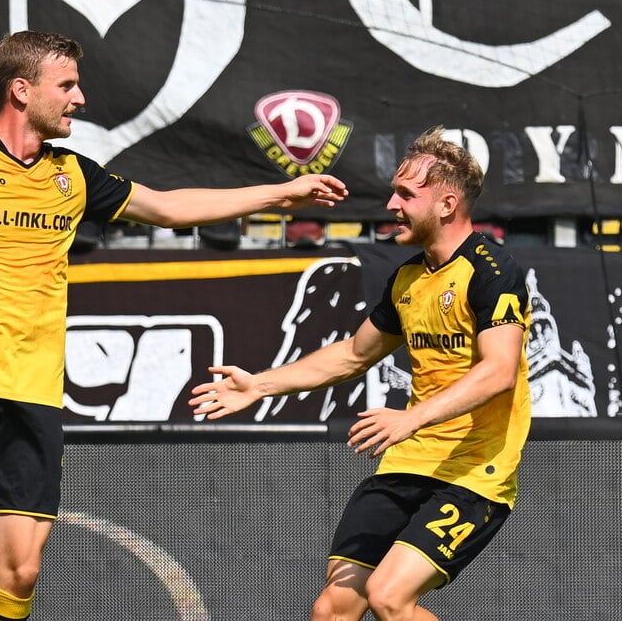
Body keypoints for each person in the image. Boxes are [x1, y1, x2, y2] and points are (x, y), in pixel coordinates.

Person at [0, 30, 346, 621]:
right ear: (21, 90)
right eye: (68, 86)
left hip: (34, 391)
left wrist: (281, 191)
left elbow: (168, 207)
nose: (80, 98)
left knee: (20, 572)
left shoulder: (75, 176)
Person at [191, 126, 531, 621]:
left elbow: (499, 372)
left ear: (447, 204)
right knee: (333, 607)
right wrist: (259, 385)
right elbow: (353, 354)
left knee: (390, 598)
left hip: (475, 473)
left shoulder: (492, 270)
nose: (391, 205)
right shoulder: (408, 278)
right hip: (407, 464)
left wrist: (410, 419)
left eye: (405, 194)